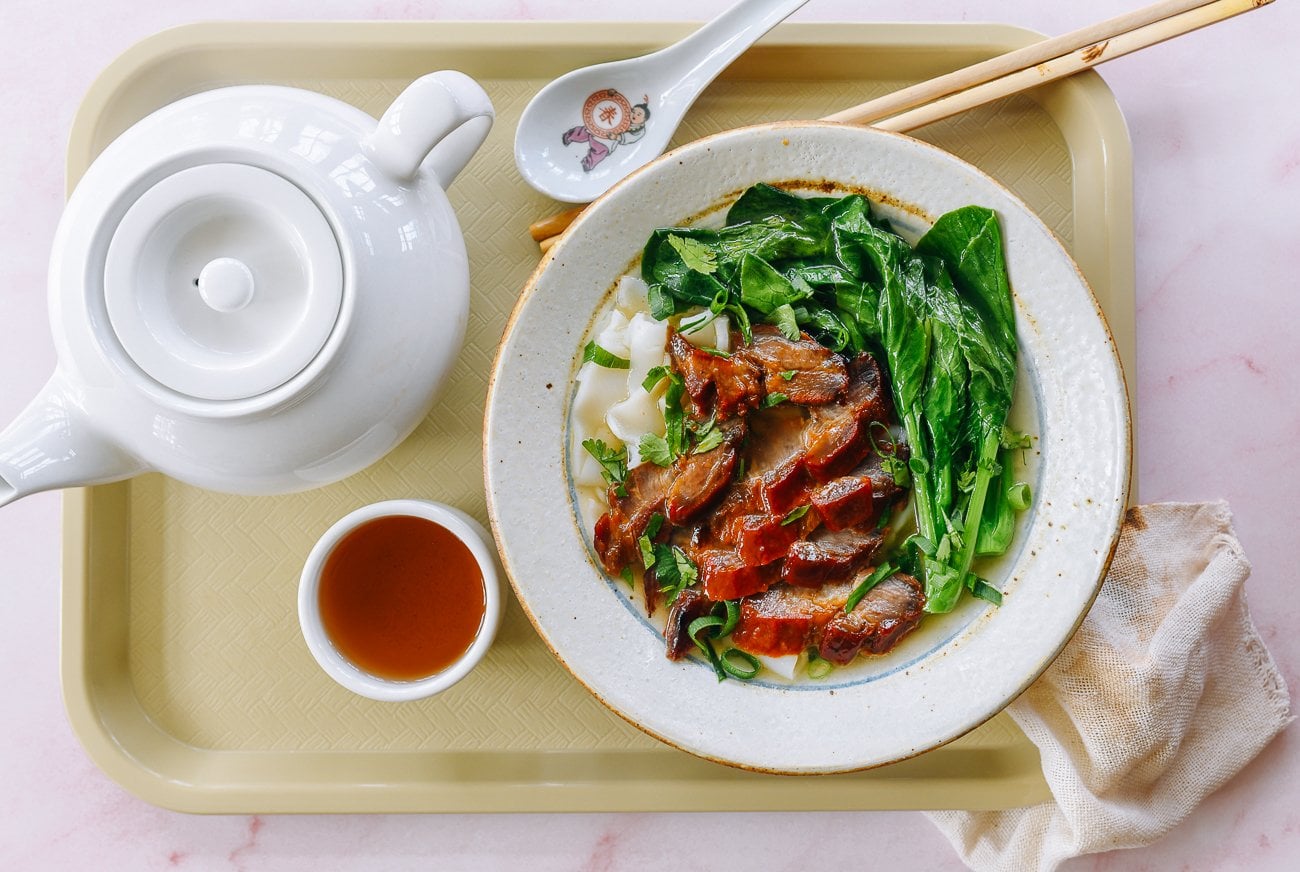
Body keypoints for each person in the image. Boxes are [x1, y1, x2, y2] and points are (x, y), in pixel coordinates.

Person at [562, 101, 651, 172]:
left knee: (600, 151)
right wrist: (613, 94)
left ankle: (588, 163)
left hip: (608, 141)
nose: (634, 115)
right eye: (633, 112)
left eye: (639, 114)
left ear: (644, 120)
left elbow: (630, 138)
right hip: (601, 127)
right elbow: (618, 104)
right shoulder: (625, 114)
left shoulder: (640, 131)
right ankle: (569, 136)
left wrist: (617, 137)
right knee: (584, 131)